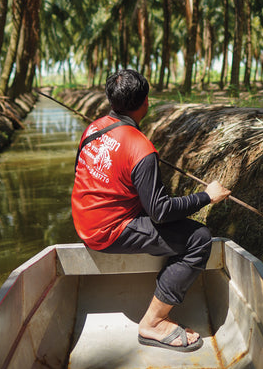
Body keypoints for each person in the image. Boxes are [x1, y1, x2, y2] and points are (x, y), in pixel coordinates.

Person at [71, 69, 231, 352]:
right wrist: (207, 196)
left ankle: (162, 292)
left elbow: (81, 173)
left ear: (111, 100)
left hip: (84, 221)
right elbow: (160, 211)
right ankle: (153, 323)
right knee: (199, 238)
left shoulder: (93, 128)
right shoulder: (140, 148)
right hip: (107, 232)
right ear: (145, 102)